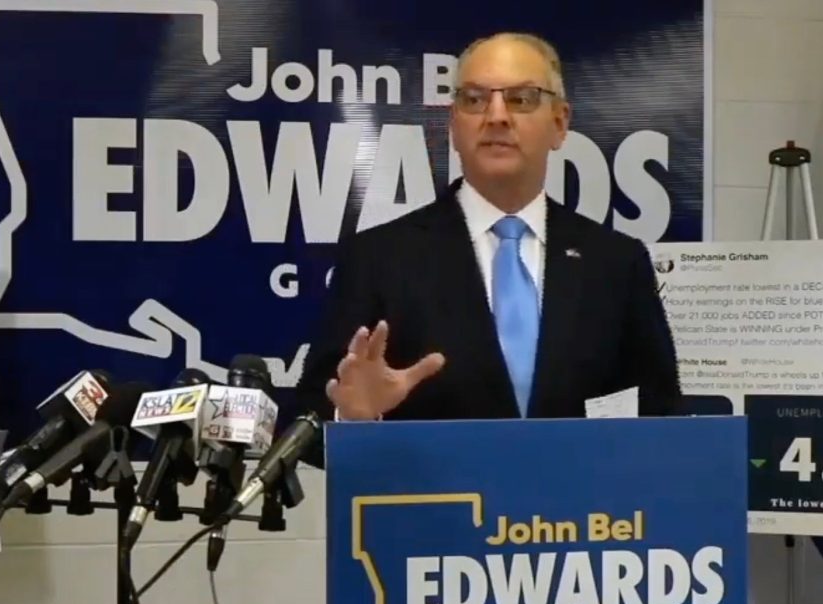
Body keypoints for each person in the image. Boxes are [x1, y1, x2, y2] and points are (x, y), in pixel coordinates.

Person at [292, 32, 681, 467]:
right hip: (433, 505)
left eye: (521, 99)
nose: (496, 116)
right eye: (475, 100)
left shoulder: (617, 263)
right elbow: (307, 422)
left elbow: (662, 421)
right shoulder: (378, 258)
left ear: (559, 123)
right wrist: (355, 418)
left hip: (581, 507)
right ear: (453, 124)